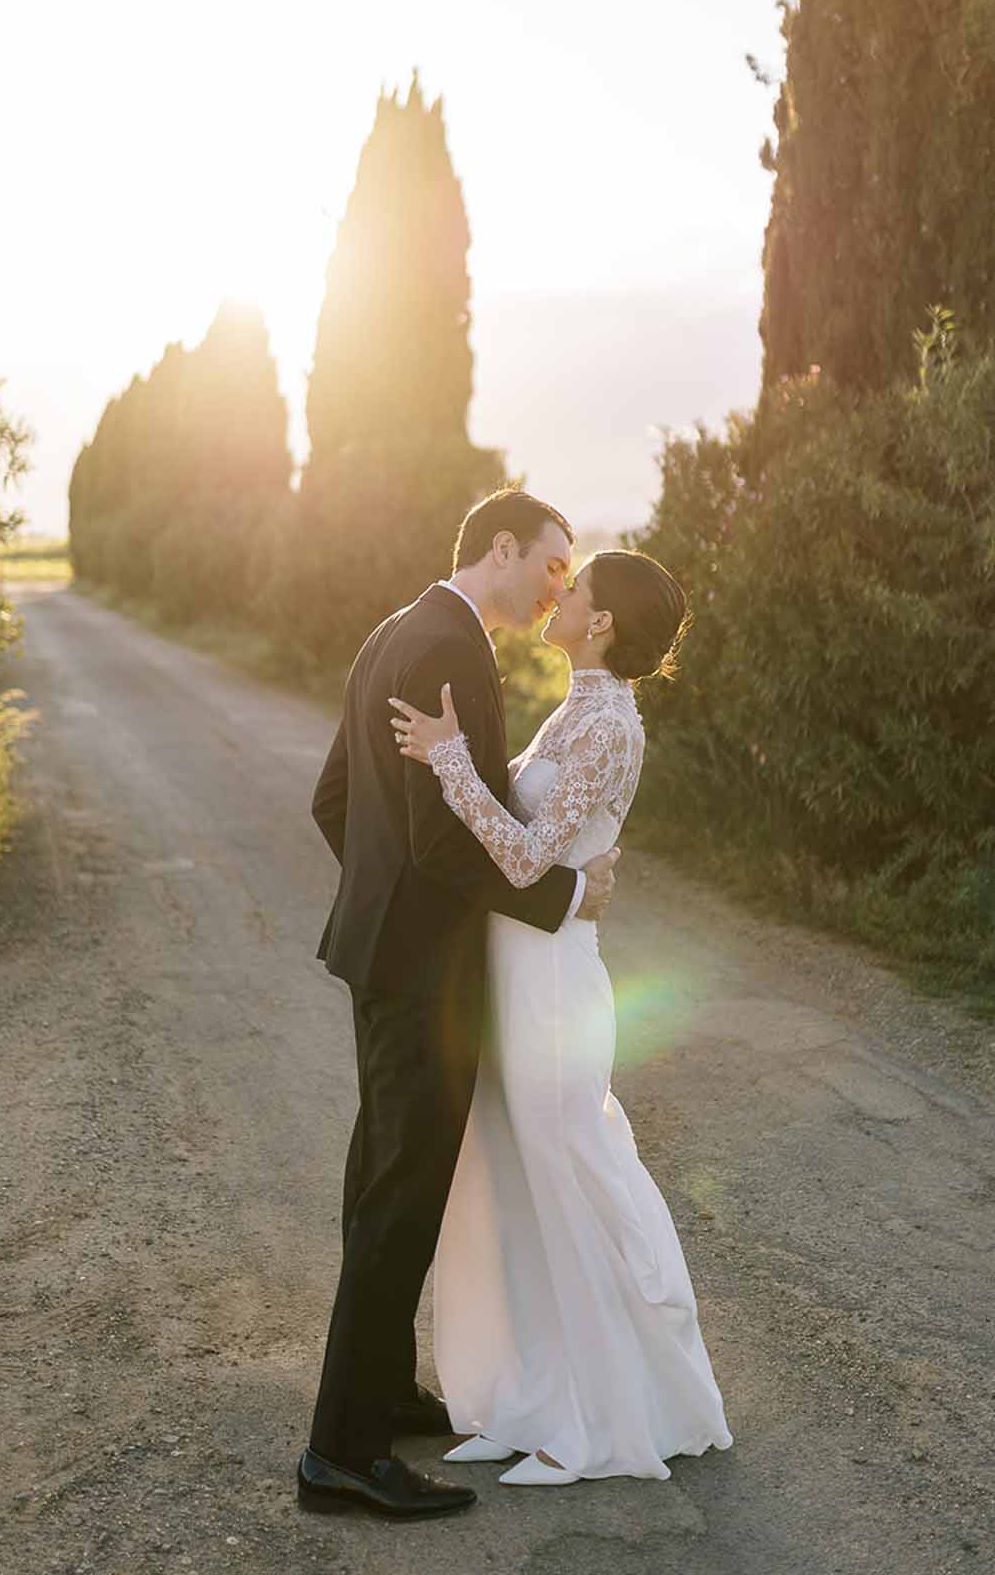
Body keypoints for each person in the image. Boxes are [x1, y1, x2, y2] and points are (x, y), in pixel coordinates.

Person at [297, 490, 621, 1520]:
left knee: (379, 1177)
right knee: (401, 1194)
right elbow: (446, 842)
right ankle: (341, 1453)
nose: (556, 586)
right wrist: (564, 894)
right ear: (501, 547)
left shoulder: (396, 628)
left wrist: (375, 899)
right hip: (424, 975)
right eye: (553, 565)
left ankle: (382, 1390)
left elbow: (333, 800)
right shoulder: (452, 650)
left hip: (381, 957)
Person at [389, 548, 733, 1485]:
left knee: (562, 1175)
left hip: (550, 984)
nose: (558, 594)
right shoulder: (575, 707)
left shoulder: (614, 726)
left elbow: (528, 862)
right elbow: (537, 842)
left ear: (604, 621)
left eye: (573, 589)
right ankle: (527, 1398)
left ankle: (591, 1428)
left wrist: (452, 762)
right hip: (509, 973)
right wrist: (462, 768)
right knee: (509, 1182)